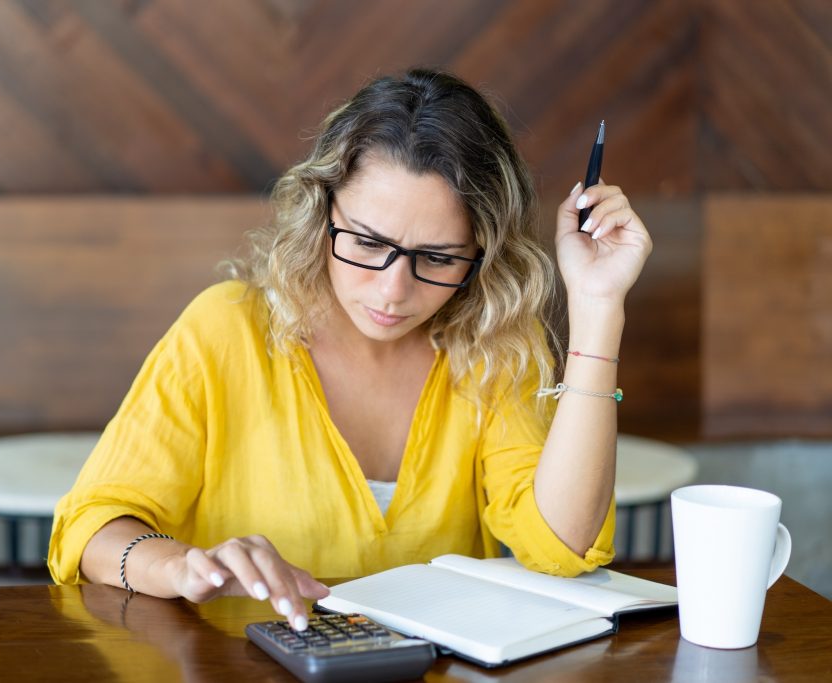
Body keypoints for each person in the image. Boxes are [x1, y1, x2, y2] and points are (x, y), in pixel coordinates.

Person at [48, 68, 652, 633]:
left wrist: (598, 306)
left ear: (483, 255)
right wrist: (180, 566)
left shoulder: (494, 351)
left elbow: (564, 545)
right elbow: (90, 529)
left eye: (437, 257)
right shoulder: (224, 330)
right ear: (321, 211)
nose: (393, 290)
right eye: (366, 243)